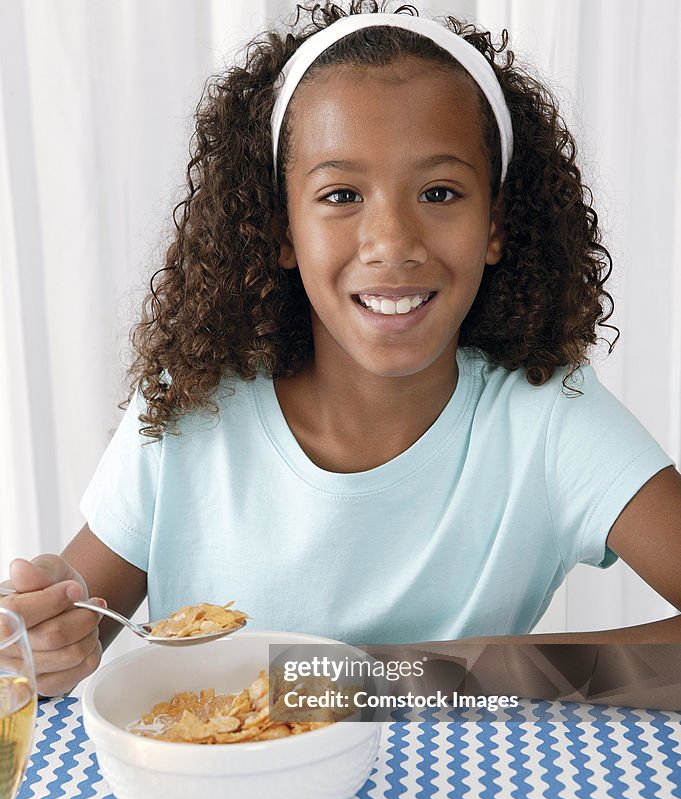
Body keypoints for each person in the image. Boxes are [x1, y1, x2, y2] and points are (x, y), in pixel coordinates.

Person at [3, 2, 681, 698]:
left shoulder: (549, 422)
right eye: (341, 194)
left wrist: (419, 675)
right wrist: (44, 631)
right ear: (281, 231)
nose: (391, 241)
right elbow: (73, 623)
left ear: (495, 225)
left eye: (439, 192)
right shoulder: (193, 409)